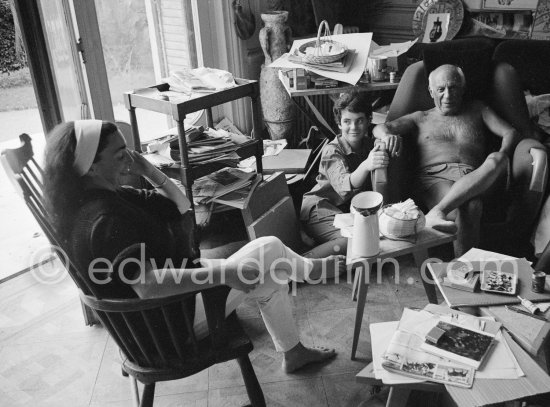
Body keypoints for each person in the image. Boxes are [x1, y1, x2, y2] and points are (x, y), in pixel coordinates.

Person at [43, 120, 345, 373]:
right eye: (120, 153)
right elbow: (148, 286)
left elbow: (182, 206)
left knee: (268, 271)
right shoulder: (104, 219)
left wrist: (148, 170)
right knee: (269, 249)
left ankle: (293, 351)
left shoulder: (101, 198)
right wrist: (224, 273)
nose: (129, 158)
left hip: (164, 309)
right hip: (166, 328)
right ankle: (312, 270)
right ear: (91, 166)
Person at [373, 64, 520, 255]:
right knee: (471, 206)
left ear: (463, 88)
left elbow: (509, 132)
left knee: (498, 158)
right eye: (441, 89)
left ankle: (438, 212)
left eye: (454, 88)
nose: (448, 96)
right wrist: (385, 136)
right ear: (431, 91)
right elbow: (382, 128)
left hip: (476, 176)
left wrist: (504, 157)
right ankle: (463, 272)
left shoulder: (478, 109)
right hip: (435, 179)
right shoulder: (420, 117)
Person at [300, 91, 395, 258]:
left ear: (368, 121)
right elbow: (345, 186)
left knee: (369, 240)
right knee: (353, 240)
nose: (353, 127)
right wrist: (366, 165)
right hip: (319, 208)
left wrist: (383, 139)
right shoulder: (332, 150)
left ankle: (317, 241)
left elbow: (379, 134)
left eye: (360, 121)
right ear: (339, 124)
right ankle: (299, 263)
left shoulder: (368, 145)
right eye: (347, 121)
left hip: (344, 212)